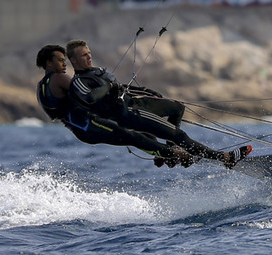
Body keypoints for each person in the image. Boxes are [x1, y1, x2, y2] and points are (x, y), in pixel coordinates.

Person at [63, 39, 248, 168]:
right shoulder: (79, 81)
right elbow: (90, 98)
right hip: (129, 114)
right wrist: (109, 86)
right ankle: (226, 158)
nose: (89, 57)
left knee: (176, 107)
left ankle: (170, 154)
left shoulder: (95, 71)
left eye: (89, 53)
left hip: (135, 103)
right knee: (179, 135)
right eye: (84, 55)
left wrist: (144, 90)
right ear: (73, 60)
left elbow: (118, 87)